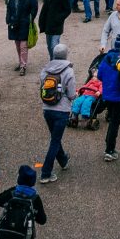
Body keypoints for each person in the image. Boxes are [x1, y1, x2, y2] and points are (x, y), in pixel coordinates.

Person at [37, 44, 77, 182]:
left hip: (47, 109)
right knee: (55, 140)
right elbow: (71, 95)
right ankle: (45, 173)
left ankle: (64, 161)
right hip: (62, 110)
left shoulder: (45, 70)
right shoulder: (69, 71)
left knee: (55, 138)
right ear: (66, 55)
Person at [93, 43, 120, 162]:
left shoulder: (106, 58)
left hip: (107, 93)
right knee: (114, 124)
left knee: (111, 118)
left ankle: (109, 145)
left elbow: (99, 76)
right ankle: (109, 150)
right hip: (119, 96)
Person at [4, 0, 38, 76]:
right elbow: (9, 7)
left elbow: (34, 9)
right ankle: (20, 62)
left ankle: (23, 65)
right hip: (13, 23)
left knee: (23, 46)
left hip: (24, 23)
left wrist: (29, 19)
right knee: (17, 45)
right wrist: (8, 19)